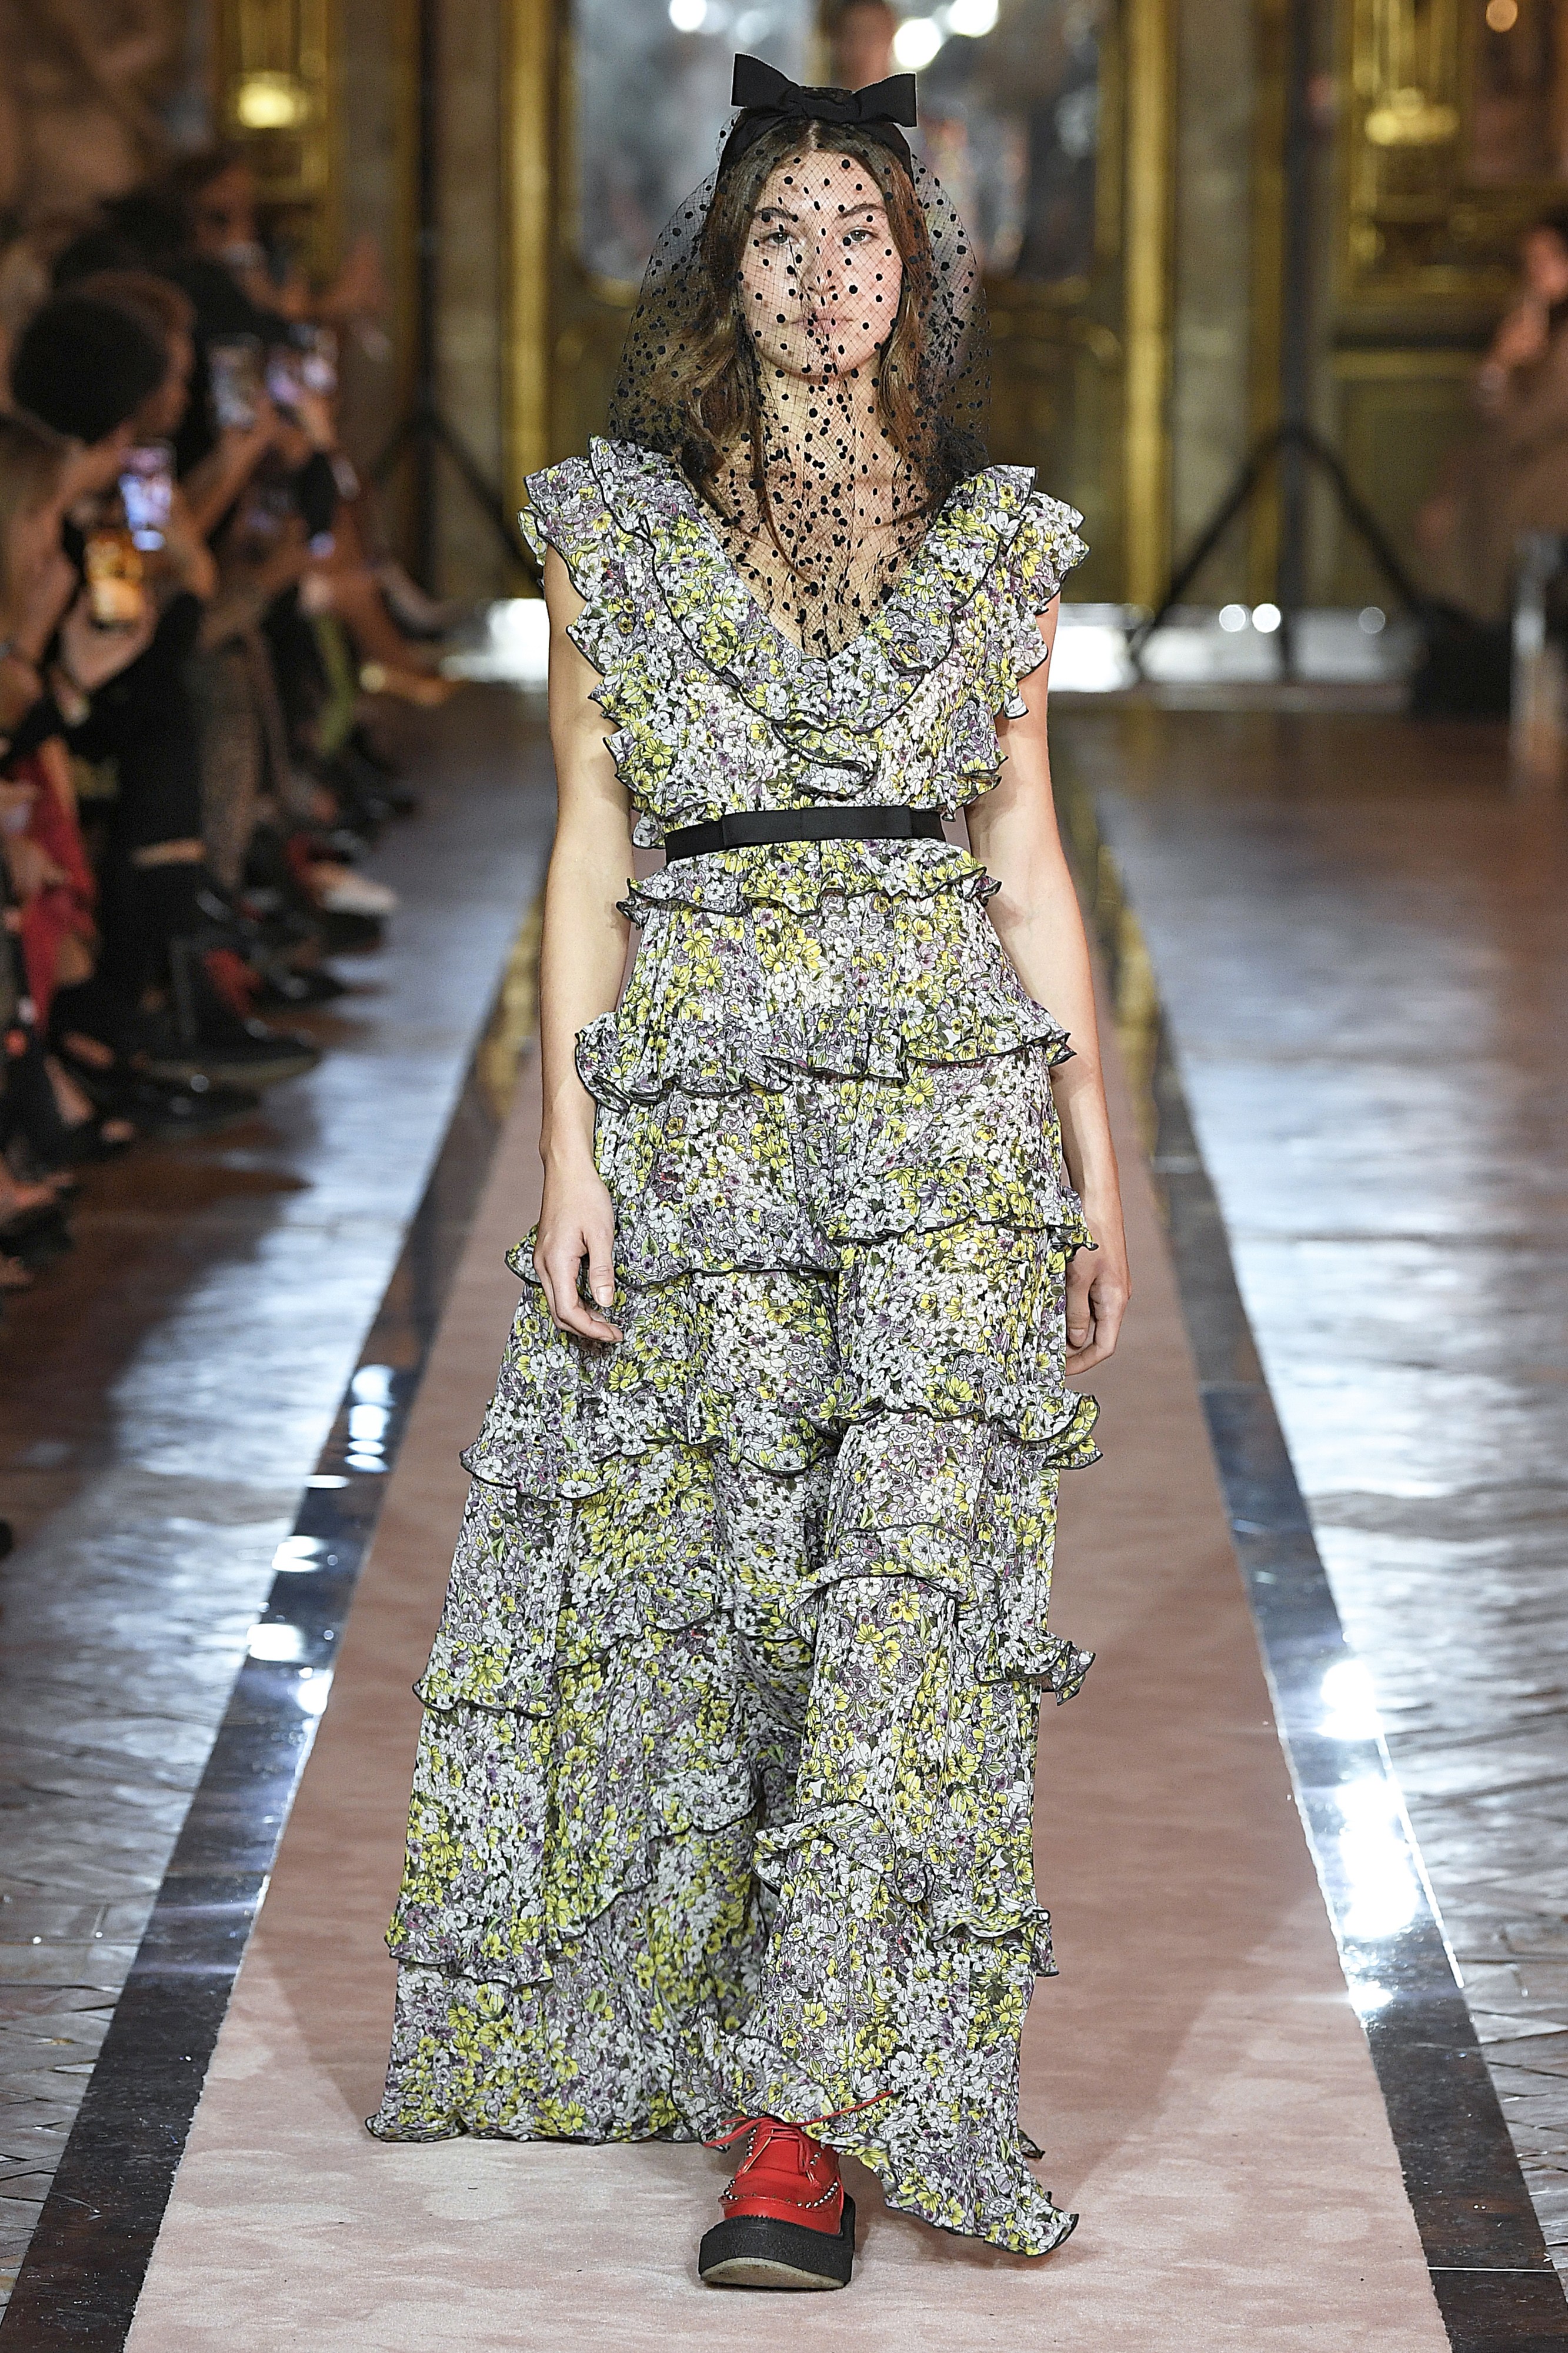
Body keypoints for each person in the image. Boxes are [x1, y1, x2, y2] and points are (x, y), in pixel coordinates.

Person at [368, 58, 1129, 2292]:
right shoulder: (609, 533)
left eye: (858, 233)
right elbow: (586, 846)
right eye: (780, 235)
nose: (820, 273)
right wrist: (567, 1150)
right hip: (699, 1100)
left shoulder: (997, 547)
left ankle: (806, 2134)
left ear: (913, 273)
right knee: (737, 1596)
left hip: (946, 1119)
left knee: (910, 1591)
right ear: (727, 271)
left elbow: (1027, 863)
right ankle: (754, 2043)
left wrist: (1093, 1165)